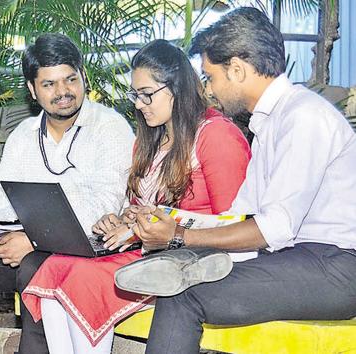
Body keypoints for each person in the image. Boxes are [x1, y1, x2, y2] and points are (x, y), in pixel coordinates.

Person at [113, 7, 356, 354]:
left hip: (336, 267)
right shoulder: (271, 123)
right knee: (183, 269)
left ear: (238, 69)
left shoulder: (304, 117)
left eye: (211, 77)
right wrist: (176, 227)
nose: (209, 89)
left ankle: (184, 264)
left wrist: (181, 236)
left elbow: (274, 228)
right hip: (298, 258)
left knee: (183, 298)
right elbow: (241, 214)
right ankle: (181, 262)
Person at [20, 39, 251, 353]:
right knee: (57, 266)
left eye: (147, 95)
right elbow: (143, 207)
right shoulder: (153, 137)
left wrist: (167, 225)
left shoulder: (215, 135)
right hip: (152, 251)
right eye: (135, 95)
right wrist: (125, 219)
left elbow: (239, 224)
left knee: (84, 278)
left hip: (196, 258)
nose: (139, 105)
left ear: (177, 87)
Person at [0, 33, 135, 354]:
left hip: (91, 251)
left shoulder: (109, 128)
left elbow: (102, 210)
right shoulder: (25, 135)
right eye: (49, 84)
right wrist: (39, 220)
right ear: (32, 89)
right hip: (32, 243)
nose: (63, 92)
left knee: (34, 265)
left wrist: (33, 236)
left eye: (70, 79)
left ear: (83, 76)